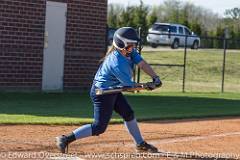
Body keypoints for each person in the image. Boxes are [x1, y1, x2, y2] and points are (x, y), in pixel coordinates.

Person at [56, 27, 162, 153]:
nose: (133, 47)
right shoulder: (116, 62)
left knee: (128, 114)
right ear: (121, 44)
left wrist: (155, 77)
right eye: (130, 45)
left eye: (134, 45)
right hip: (102, 93)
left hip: (113, 89)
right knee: (99, 127)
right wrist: (146, 86)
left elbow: (142, 64)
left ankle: (140, 144)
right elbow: (129, 87)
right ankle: (65, 139)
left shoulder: (129, 52)